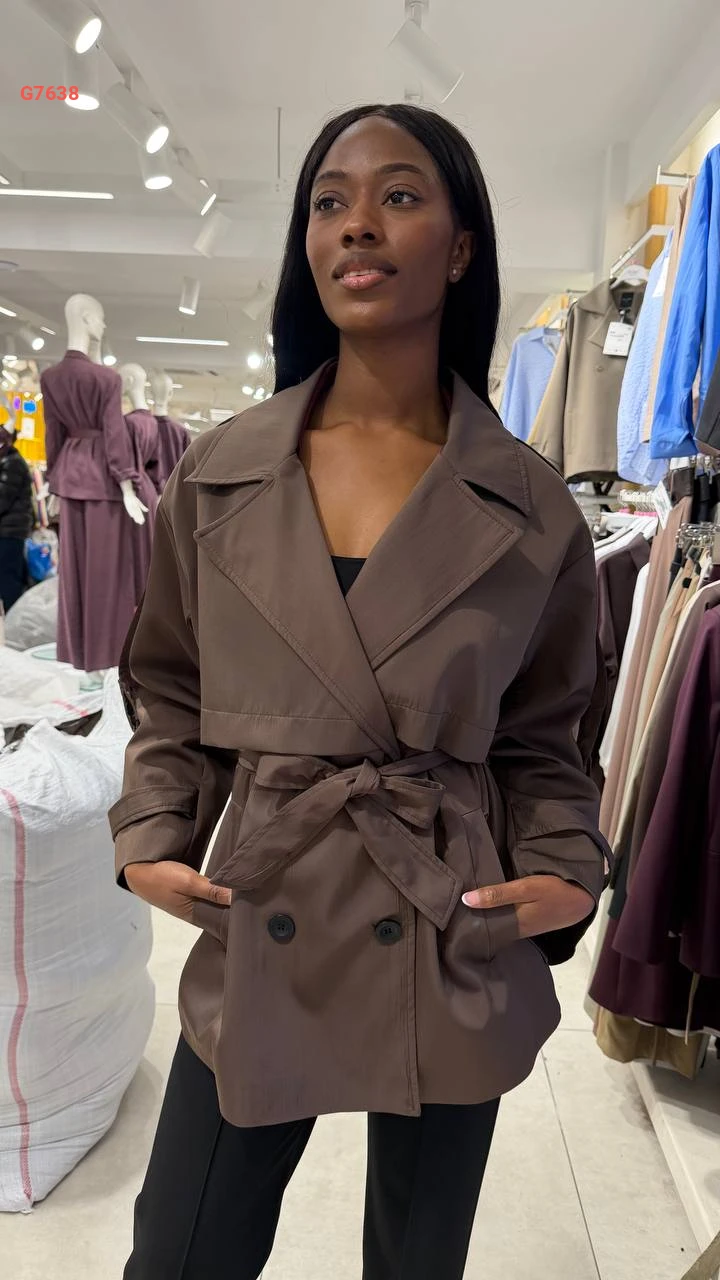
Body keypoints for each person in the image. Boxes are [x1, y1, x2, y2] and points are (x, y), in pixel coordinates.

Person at [109, 104, 610, 1280]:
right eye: (329, 201)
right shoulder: (221, 475)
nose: (357, 224)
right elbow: (171, 686)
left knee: (416, 1260)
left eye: (399, 195)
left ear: (462, 245)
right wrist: (151, 832)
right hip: (268, 897)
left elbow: (547, 734)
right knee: (180, 1251)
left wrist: (566, 863)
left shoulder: (531, 506)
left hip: (446, 911)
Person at [0, 423, 33, 613]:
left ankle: (12, 618)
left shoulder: (12, 463)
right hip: (10, 531)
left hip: (9, 533)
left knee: (8, 579)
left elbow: (2, 498)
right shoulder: (9, 461)